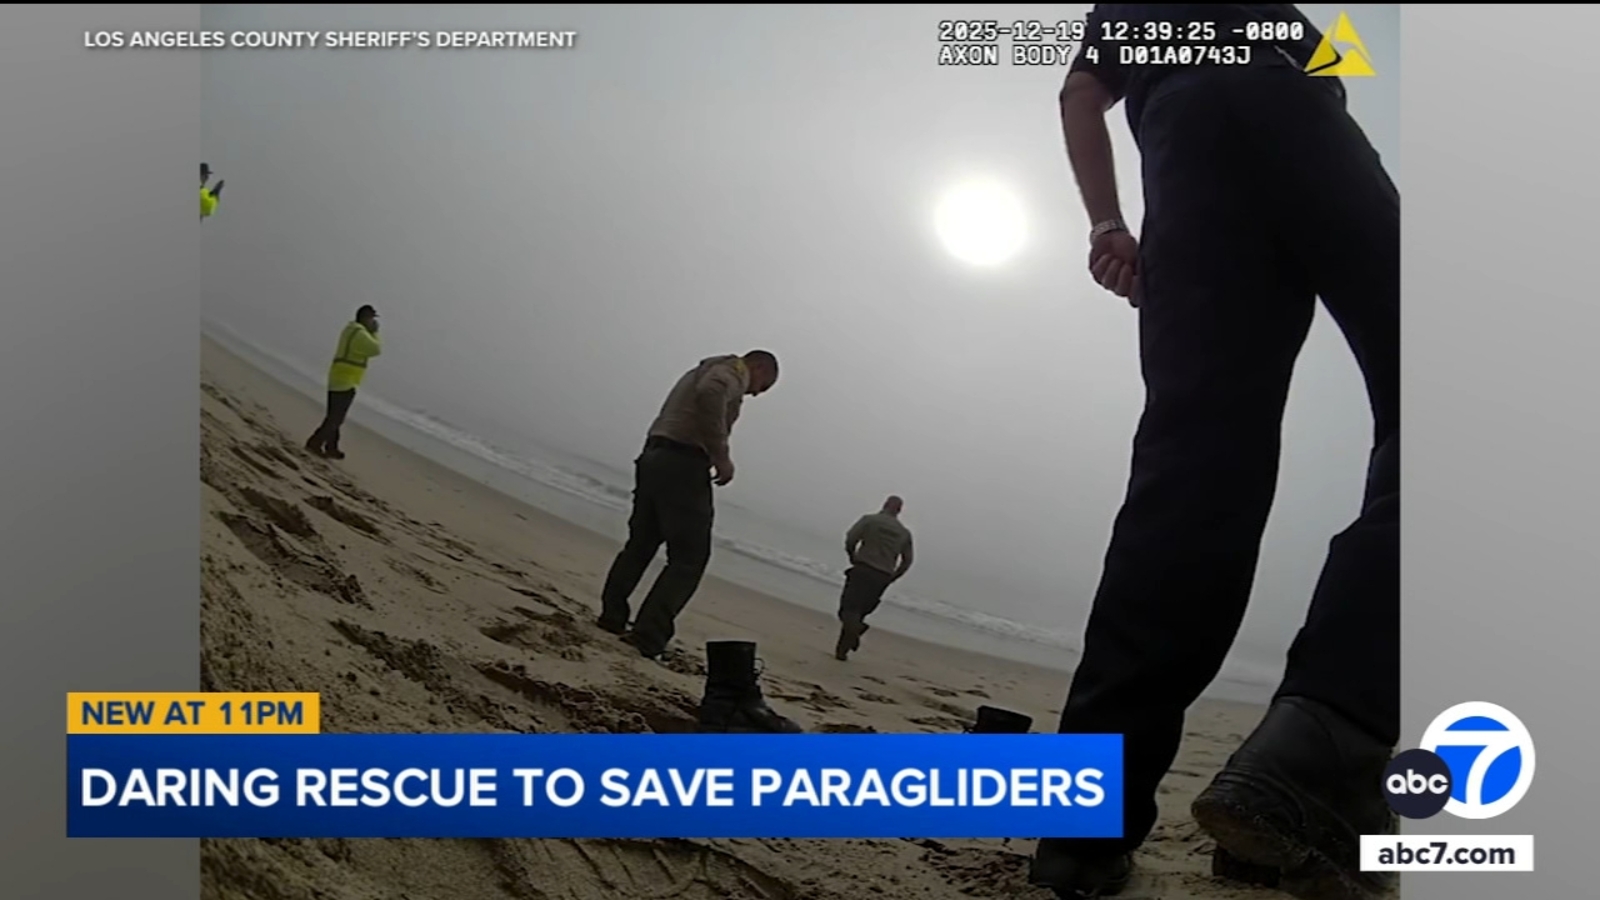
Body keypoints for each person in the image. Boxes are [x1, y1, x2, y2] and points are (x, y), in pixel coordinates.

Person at [1029, 6, 1399, 899]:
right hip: (1303, 120)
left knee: (1193, 465)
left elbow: (1081, 93)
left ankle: (1086, 826)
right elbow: (1332, 71)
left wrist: (1107, 226)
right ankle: (1326, 739)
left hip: (1185, 142)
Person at [597, 351, 780, 659]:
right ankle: (648, 636)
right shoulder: (732, 371)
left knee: (640, 545)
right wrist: (720, 454)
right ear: (759, 367)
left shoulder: (703, 368)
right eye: (764, 385)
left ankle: (612, 617)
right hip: (683, 463)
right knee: (689, 559)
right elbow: (712, 392)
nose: (756, 393)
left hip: (655, 456)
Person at [834, 495, 914, 661]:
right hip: (882, 576)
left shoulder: (870, 520)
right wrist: (893, 576)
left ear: (884, 505)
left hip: (863, 568)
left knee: (848, 610)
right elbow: (907, 560)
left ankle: (854, 633)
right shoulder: (904, 533)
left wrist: (852, 555)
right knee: (859, 612)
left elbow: (851, 539)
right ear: (899, 510)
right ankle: (843, 651)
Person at [305, 305, 382, 460]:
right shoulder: (359, 333)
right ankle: (315, 442)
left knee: (334, 415)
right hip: (345, 380)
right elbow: (375, 349)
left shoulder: (351, 329)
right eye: (372, 318)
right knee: (336, 418)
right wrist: (375, 333)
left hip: (340, 377)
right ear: (366, 318)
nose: (373, 322)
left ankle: (331, 447)